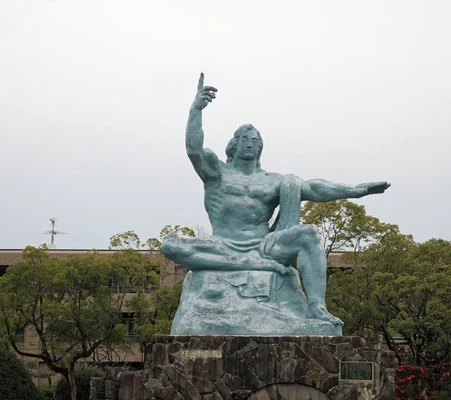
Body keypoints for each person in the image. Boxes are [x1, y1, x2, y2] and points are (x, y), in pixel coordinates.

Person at [161, 73, 390, 325]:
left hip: (264, 247)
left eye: (256, 141)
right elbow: (194, 149)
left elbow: (313, 188)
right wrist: (196, 110)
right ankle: (244, 263)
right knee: (170, 246)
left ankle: (316, 308)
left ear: (261, 148)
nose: (251, 144)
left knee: (309, 235)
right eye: (245, 140)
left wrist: (356, 190)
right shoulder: (217, 173)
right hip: (221, 244)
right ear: (234, 145)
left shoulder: (273, 181)